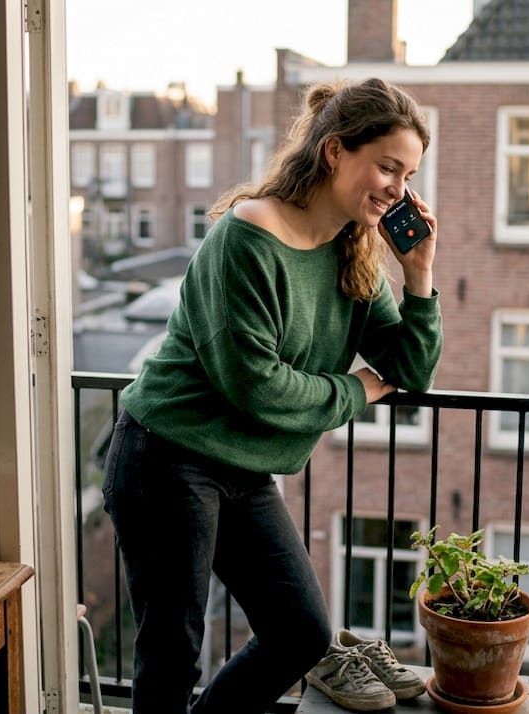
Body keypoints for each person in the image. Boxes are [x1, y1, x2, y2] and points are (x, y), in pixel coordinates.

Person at [100, 76, 443, 713]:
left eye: (408, 175)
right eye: (387, 167)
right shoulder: (247, 237)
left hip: (245, 467)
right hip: (167, 456)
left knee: (301, 634)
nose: (398, 188)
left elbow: (411, 368)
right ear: (335, 151)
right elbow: (256, 386)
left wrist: (418, 273)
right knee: (172, 653)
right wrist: (355, 390)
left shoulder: (354, 251)